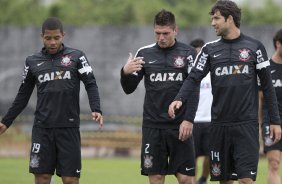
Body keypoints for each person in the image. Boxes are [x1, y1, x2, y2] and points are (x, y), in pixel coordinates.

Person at [168, 1, 282, 184]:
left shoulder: (255, 47)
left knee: (246, 180)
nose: (213, 23)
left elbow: (268, 87)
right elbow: (193, 77)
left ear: (230, 19)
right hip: (220, 126)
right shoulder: (209, 50)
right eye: (212, 18)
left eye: (216, 18)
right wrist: (179, 98)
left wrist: (275, 121)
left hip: (246, 126)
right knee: (225, 180)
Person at [0, 17, 103, 184]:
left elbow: (90, 83)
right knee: (42, 178)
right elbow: (23, 95)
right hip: (42, 128)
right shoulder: (32, 61)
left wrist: (96, 108)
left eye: (56, 37)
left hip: (68, 128)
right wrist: (6, 122)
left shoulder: (77, 56)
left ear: (63, 35)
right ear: (42, 36)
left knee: (70, 179)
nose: (52, 42)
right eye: (48, 38)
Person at [120, 9, 197, 184]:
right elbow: (128, 89)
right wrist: (125, 73)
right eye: (157, 33)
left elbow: (194, 89)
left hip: (179, 126)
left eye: (166, 33)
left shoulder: (189, 53)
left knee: (186, 179)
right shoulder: (145, 53)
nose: (161, 37)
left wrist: (189, 119)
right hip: (153, 127)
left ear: (175, 30)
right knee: (156, 178)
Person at [258, 29, 282, 184]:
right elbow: (259, 99)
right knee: (274, 163)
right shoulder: (265, 68)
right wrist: (259, 124)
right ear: (278, 44)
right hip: (271, 121)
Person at [190, 39, 212, 184]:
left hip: (211, 120)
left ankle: (203, 179)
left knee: (211, 156)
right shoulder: (189, 75)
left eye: (200, 51)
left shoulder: (212, 71)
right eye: (196, 51)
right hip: (192, 121)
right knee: (192, 157)